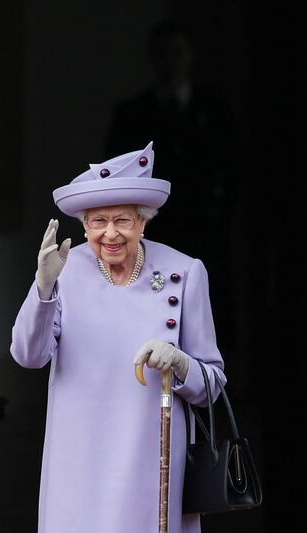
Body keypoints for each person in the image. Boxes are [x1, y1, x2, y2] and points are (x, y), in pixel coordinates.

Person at [10, 141, 225, 532]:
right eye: (98, 221)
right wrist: (43, 287)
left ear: (144, 220)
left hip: (151, 461)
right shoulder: (65, 270)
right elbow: (29, 355)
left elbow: (212, 385)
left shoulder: (185, 272)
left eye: (123, 220)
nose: (110, 233)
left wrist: (180, 363)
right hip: (78, 464)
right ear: (84, 225)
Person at [104, 19, 240, 354]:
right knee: (154, 325)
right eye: (162, 54)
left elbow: (235, 171)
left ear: (190, 56)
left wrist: (218, 211)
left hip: (205, 237)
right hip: (153, 238)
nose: (170, 62)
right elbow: (116, 179)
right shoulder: (132, 116)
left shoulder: (215, 112)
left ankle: (209, 399)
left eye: (177, 53)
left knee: (208, 323)